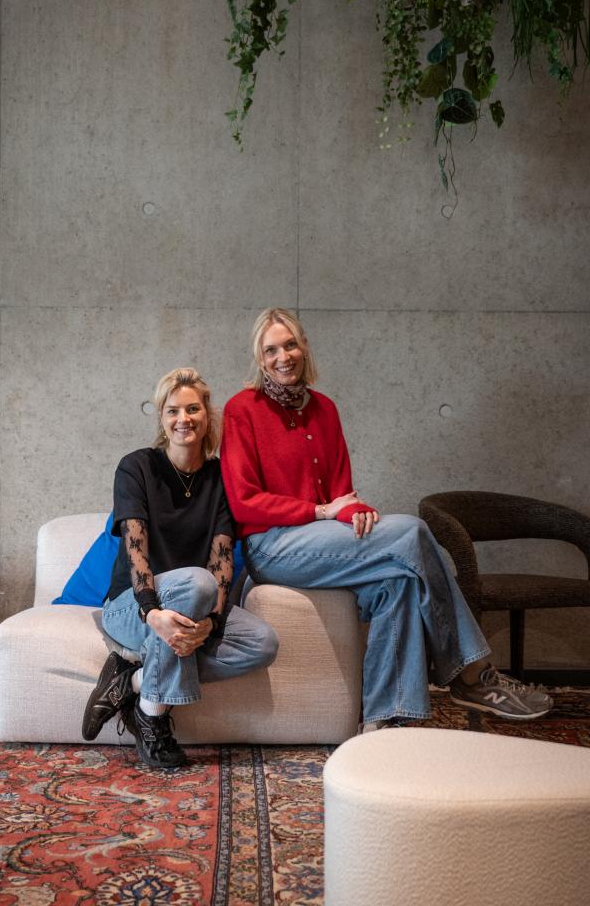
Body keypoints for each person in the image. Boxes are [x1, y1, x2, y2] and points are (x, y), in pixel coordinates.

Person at [220, 308, 553, 731]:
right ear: (259, 357)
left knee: (398, 582)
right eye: (271, 350)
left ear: (304, 347)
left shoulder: (325, 409)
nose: (283, 357)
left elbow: (342, 493)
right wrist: (321, 511)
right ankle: (471, 672)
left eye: (290, 345)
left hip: (326, 540)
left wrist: (353, 512)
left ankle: (385, 722)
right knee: (412, 531)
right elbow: (244, 502)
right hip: (274, 547)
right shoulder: (241, 409)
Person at [82, 367, 278, 767]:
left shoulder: (221, 478)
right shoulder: (136, 467)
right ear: (162, 417)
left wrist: (212, 623)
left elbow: (222, 561)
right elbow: (136, 549)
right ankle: (152, 719)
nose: (183, 419)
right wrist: (152, 613)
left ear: (207, 415)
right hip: (129, 607)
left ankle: (132, 681)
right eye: (173, 410)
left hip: (193, 606)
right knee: (197, 583)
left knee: (262, 643)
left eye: (192, 409)